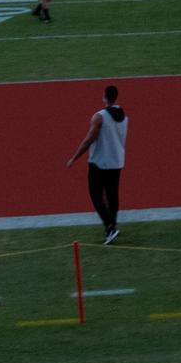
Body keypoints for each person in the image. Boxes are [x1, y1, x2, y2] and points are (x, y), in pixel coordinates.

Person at [66, 86, 130, 244]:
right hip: (117, 161)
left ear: (104, 97)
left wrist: (74, 158)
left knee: (96, 194)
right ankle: (113, 224)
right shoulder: (124, 116)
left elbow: (89, 140)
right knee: (112, 195)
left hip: (99, 162)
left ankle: (110, 228)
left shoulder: (99, 117)